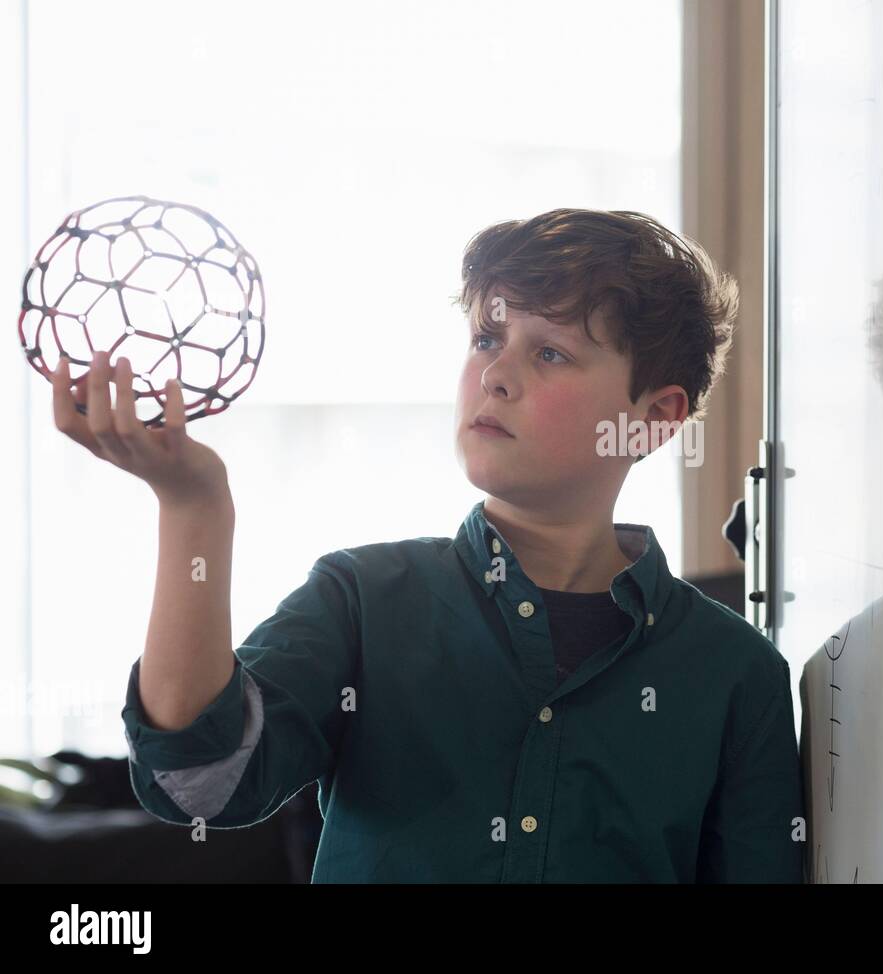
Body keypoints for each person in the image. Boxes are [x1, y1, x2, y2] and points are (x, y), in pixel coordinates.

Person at [53, 208, 806, 883]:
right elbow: (199, 783)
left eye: (550, 353)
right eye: (487, 339)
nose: (496, 375)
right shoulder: (360, 599)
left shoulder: (739, 676)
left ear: (654, 418)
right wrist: (193, 507)